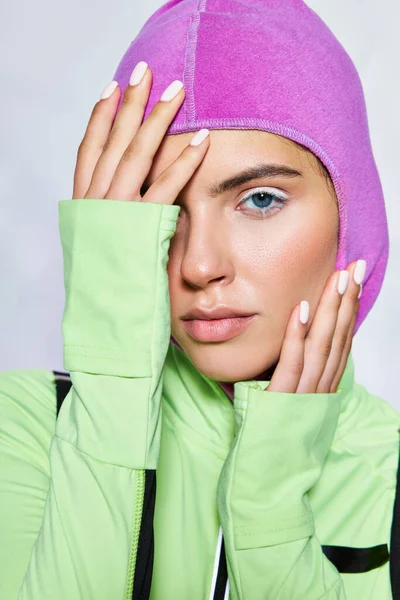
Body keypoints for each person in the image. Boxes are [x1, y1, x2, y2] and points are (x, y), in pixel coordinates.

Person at [1, 0, 399, 598]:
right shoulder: (28, 426)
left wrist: (271, 513)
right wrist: (110, 390)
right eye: (163, 214)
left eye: (260, 200)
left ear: (353, 218)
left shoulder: (387, 472)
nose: (198, 265)